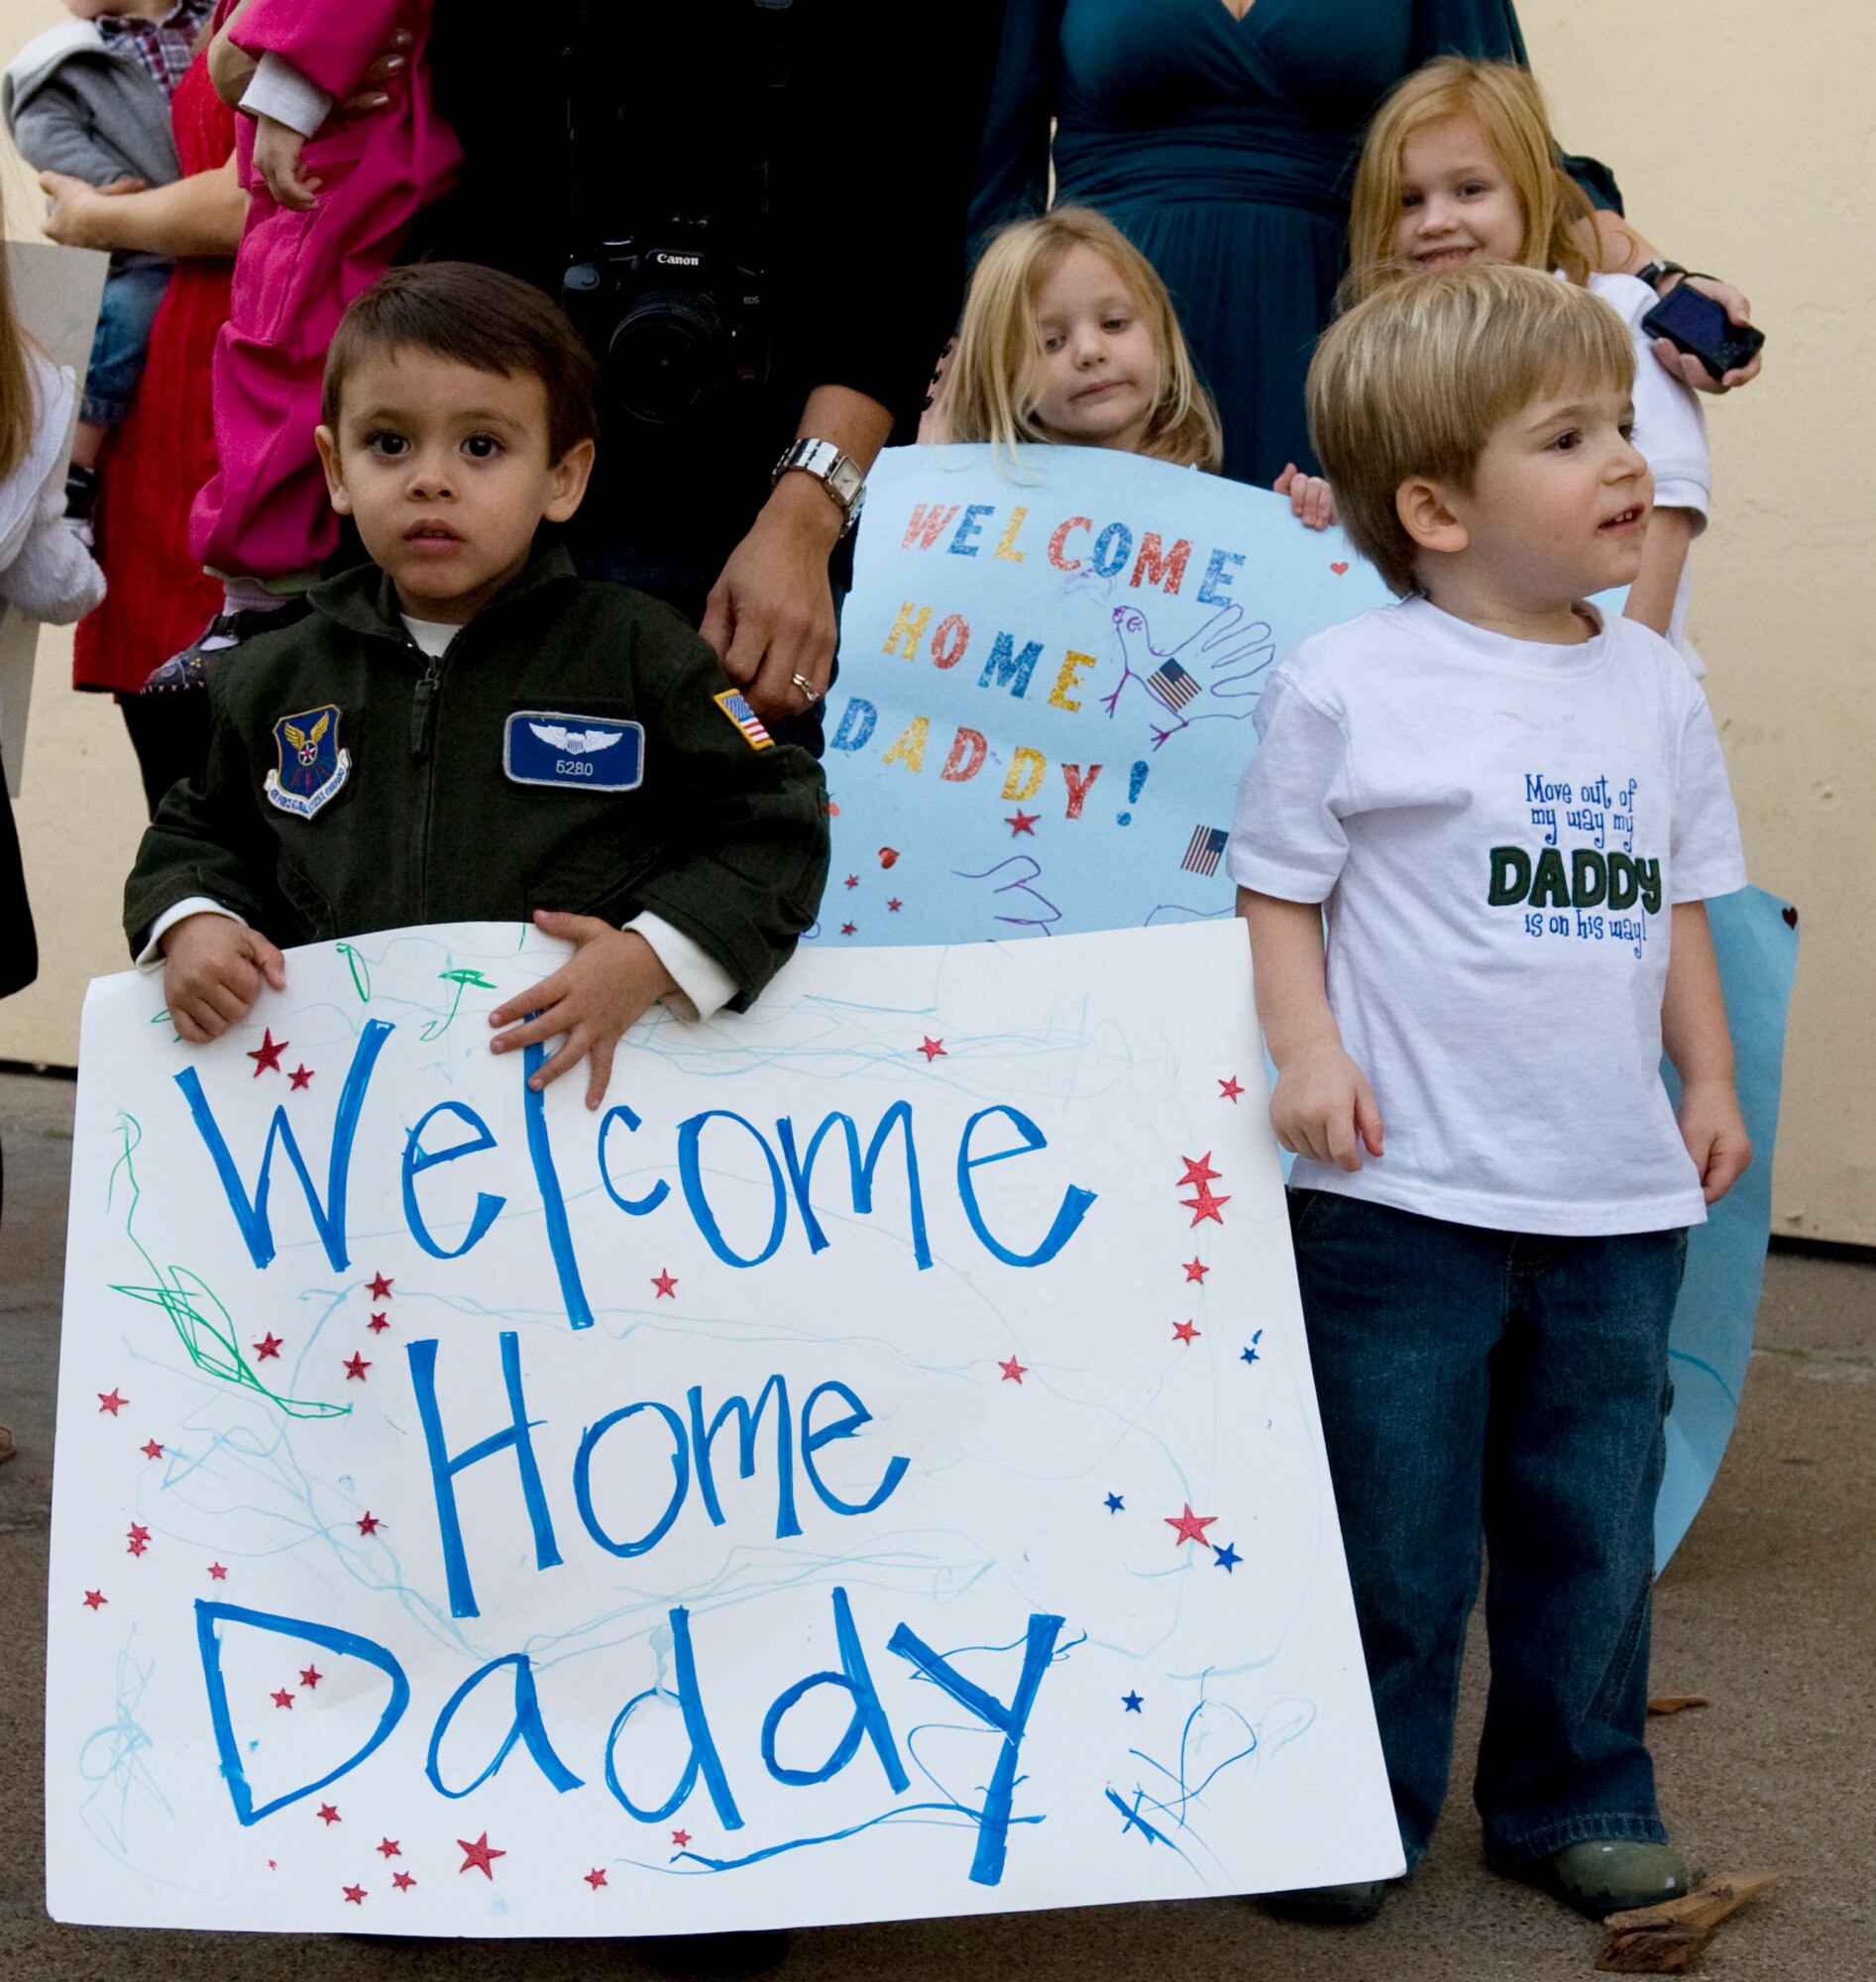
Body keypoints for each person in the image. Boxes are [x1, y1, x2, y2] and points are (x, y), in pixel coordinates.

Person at [1227, 265, 1750, 1924]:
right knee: (1389, 1536)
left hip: (1609, 1199)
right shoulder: (1346, 682)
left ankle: (1572, 1792)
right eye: (1571, 437)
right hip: (1400, 1199)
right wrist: (1306, 1056)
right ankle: (1351, 1801)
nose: (1625, 464)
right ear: (1436, 506)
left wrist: (1712, 1071)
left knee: (1585, 1525)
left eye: (1623, 426)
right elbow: (1275, 891)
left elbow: (1677, 896)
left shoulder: (1651, 685)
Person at [124, 264, 829, 1107]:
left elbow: (775, 825)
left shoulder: (642, 656)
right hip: (344, 1118)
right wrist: (194, 921)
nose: (431, 479)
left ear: (563, 476)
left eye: (481, 446)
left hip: (583, 1109)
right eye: (389, 443)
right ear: (335, 468)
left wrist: (652, 958)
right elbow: (200, 833)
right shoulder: (276, 674)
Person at [973, 0, 1762, 496]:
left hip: (1334, 345)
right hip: (1107, 355)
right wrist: (969, 372)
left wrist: (1659, 280)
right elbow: (991, 178)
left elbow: (1520, 156)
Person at [1307, 57, 1708, 664]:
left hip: (1611, 683)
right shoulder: (1400, 354)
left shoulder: (1614, 311)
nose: (1437, 221)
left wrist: (1634, 680)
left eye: (1470, 189)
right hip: (1461, 688)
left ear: (1530, 192)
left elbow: (1664, 519)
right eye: (1408, 200)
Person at [146, 0, 460, 684]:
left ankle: (262, 595)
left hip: (338, 158)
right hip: (343, 152)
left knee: (284, 357)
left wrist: (287, 104)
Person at [41, 21, 244, 815]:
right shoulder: (82, 56)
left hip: (248, 402)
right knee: (185, 809)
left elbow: (243, 201)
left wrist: (94, 220)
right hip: (160, 422)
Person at [1, 0, 211, 541]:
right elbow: (46, 135)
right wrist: (110, 189)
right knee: (123, 315)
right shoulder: (64, 59)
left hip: (217, 228)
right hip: (144, 244)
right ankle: (71, 473)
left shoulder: (216, 15)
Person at [935, 204, 1222, 469]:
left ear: (1165, 338)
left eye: (1113, 324)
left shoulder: (1211, 504)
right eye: (1051, 342)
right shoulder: (984, 505)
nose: (1089, 351)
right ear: (1001, 376)